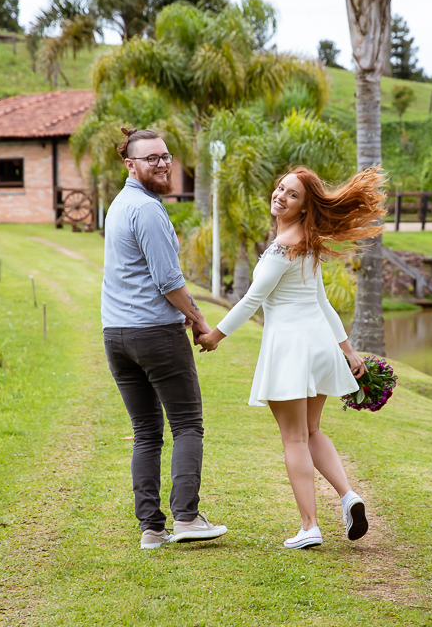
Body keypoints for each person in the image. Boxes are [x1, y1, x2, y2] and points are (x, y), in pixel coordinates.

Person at [196, 166, 386, 549]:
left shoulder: (285, 247)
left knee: (294, 438)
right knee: (312, 430)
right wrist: (345, 349)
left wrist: (215, 335)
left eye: (292, 194)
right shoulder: (306, 242)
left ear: (304, 207)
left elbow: (252, 299)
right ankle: (349, 497)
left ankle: (309, 526)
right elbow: (323, 302)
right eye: (280, 188)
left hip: (291, 348)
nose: (280, 196)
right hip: (317, 345)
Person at [100, 127, 227, 550]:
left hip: (116, 335)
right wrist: (198, 319)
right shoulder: (147, 210)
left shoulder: (118, 205)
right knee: (187, 424)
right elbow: (168, 281)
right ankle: (187, 518)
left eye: (165, 156)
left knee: (146, 432)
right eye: (151, 157)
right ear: (130, 164)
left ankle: (151, 529)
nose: (162, 163)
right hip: (153, 333)